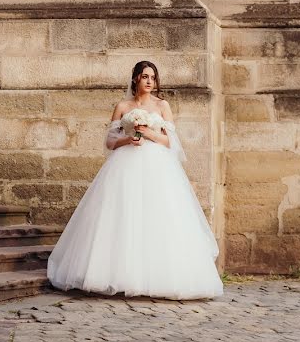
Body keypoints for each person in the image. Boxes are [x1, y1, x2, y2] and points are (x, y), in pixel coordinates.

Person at [47, 61, 223, 300]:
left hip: (158, 166)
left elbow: (170, 142)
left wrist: (146, 132)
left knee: (159, 215)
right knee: (122, 214)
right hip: (125, 163)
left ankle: (160, 276)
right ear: (135, 80)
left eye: (153, 77)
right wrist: (129, 139)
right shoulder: (123, 106)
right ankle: (117, 274)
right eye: (144, 77)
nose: (149, 81)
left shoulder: (162, 106)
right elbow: (110, 142)